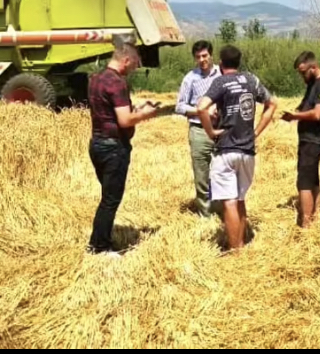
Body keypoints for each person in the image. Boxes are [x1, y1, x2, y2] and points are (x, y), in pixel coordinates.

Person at [86, 41, 163, 257]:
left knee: (107, 196)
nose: (135, 69)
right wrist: (147, 113)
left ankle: (103, 238)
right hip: (113, 148)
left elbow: (110, 112)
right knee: (110, 200)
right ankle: (99, 247)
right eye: (135, 64)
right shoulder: (117, 83)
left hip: (97, 144)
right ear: (126, 60)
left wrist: (135, 109)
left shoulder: (95, 79)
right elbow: (125, 120)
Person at [196, 44, 277, 251]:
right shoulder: (251, 79)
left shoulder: (220, 81)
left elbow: (201, 107)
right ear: (238, 62)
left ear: (221, 64)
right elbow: (272, 104)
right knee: (240, 199)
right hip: (248, 151)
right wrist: (257, 131)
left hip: (226, 149)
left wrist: (211, 132)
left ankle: (235, 250)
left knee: (229, 202)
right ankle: (241, 242)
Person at [280, 51, 320, 229]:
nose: (302, 76)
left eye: (303, 72)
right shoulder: (313, 85)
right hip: (309, 139)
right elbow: (307, 107)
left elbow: (317, 114)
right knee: (312, 178)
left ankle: (306, 224)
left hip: (315, 139)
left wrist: (295, 116)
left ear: (313, 67)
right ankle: (318, 214)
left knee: (303, 181)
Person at [174, 39, 222, 218]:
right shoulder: (190, 78)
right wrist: (201, 112)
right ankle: (205, 214)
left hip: (221, 130)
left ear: (211, 55)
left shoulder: (222, 74)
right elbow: (179, 106)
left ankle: (221, 210)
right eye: (198, 57)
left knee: (220, 172)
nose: (202, 60)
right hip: (199, 131)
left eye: (205, 56)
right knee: (201, 173)